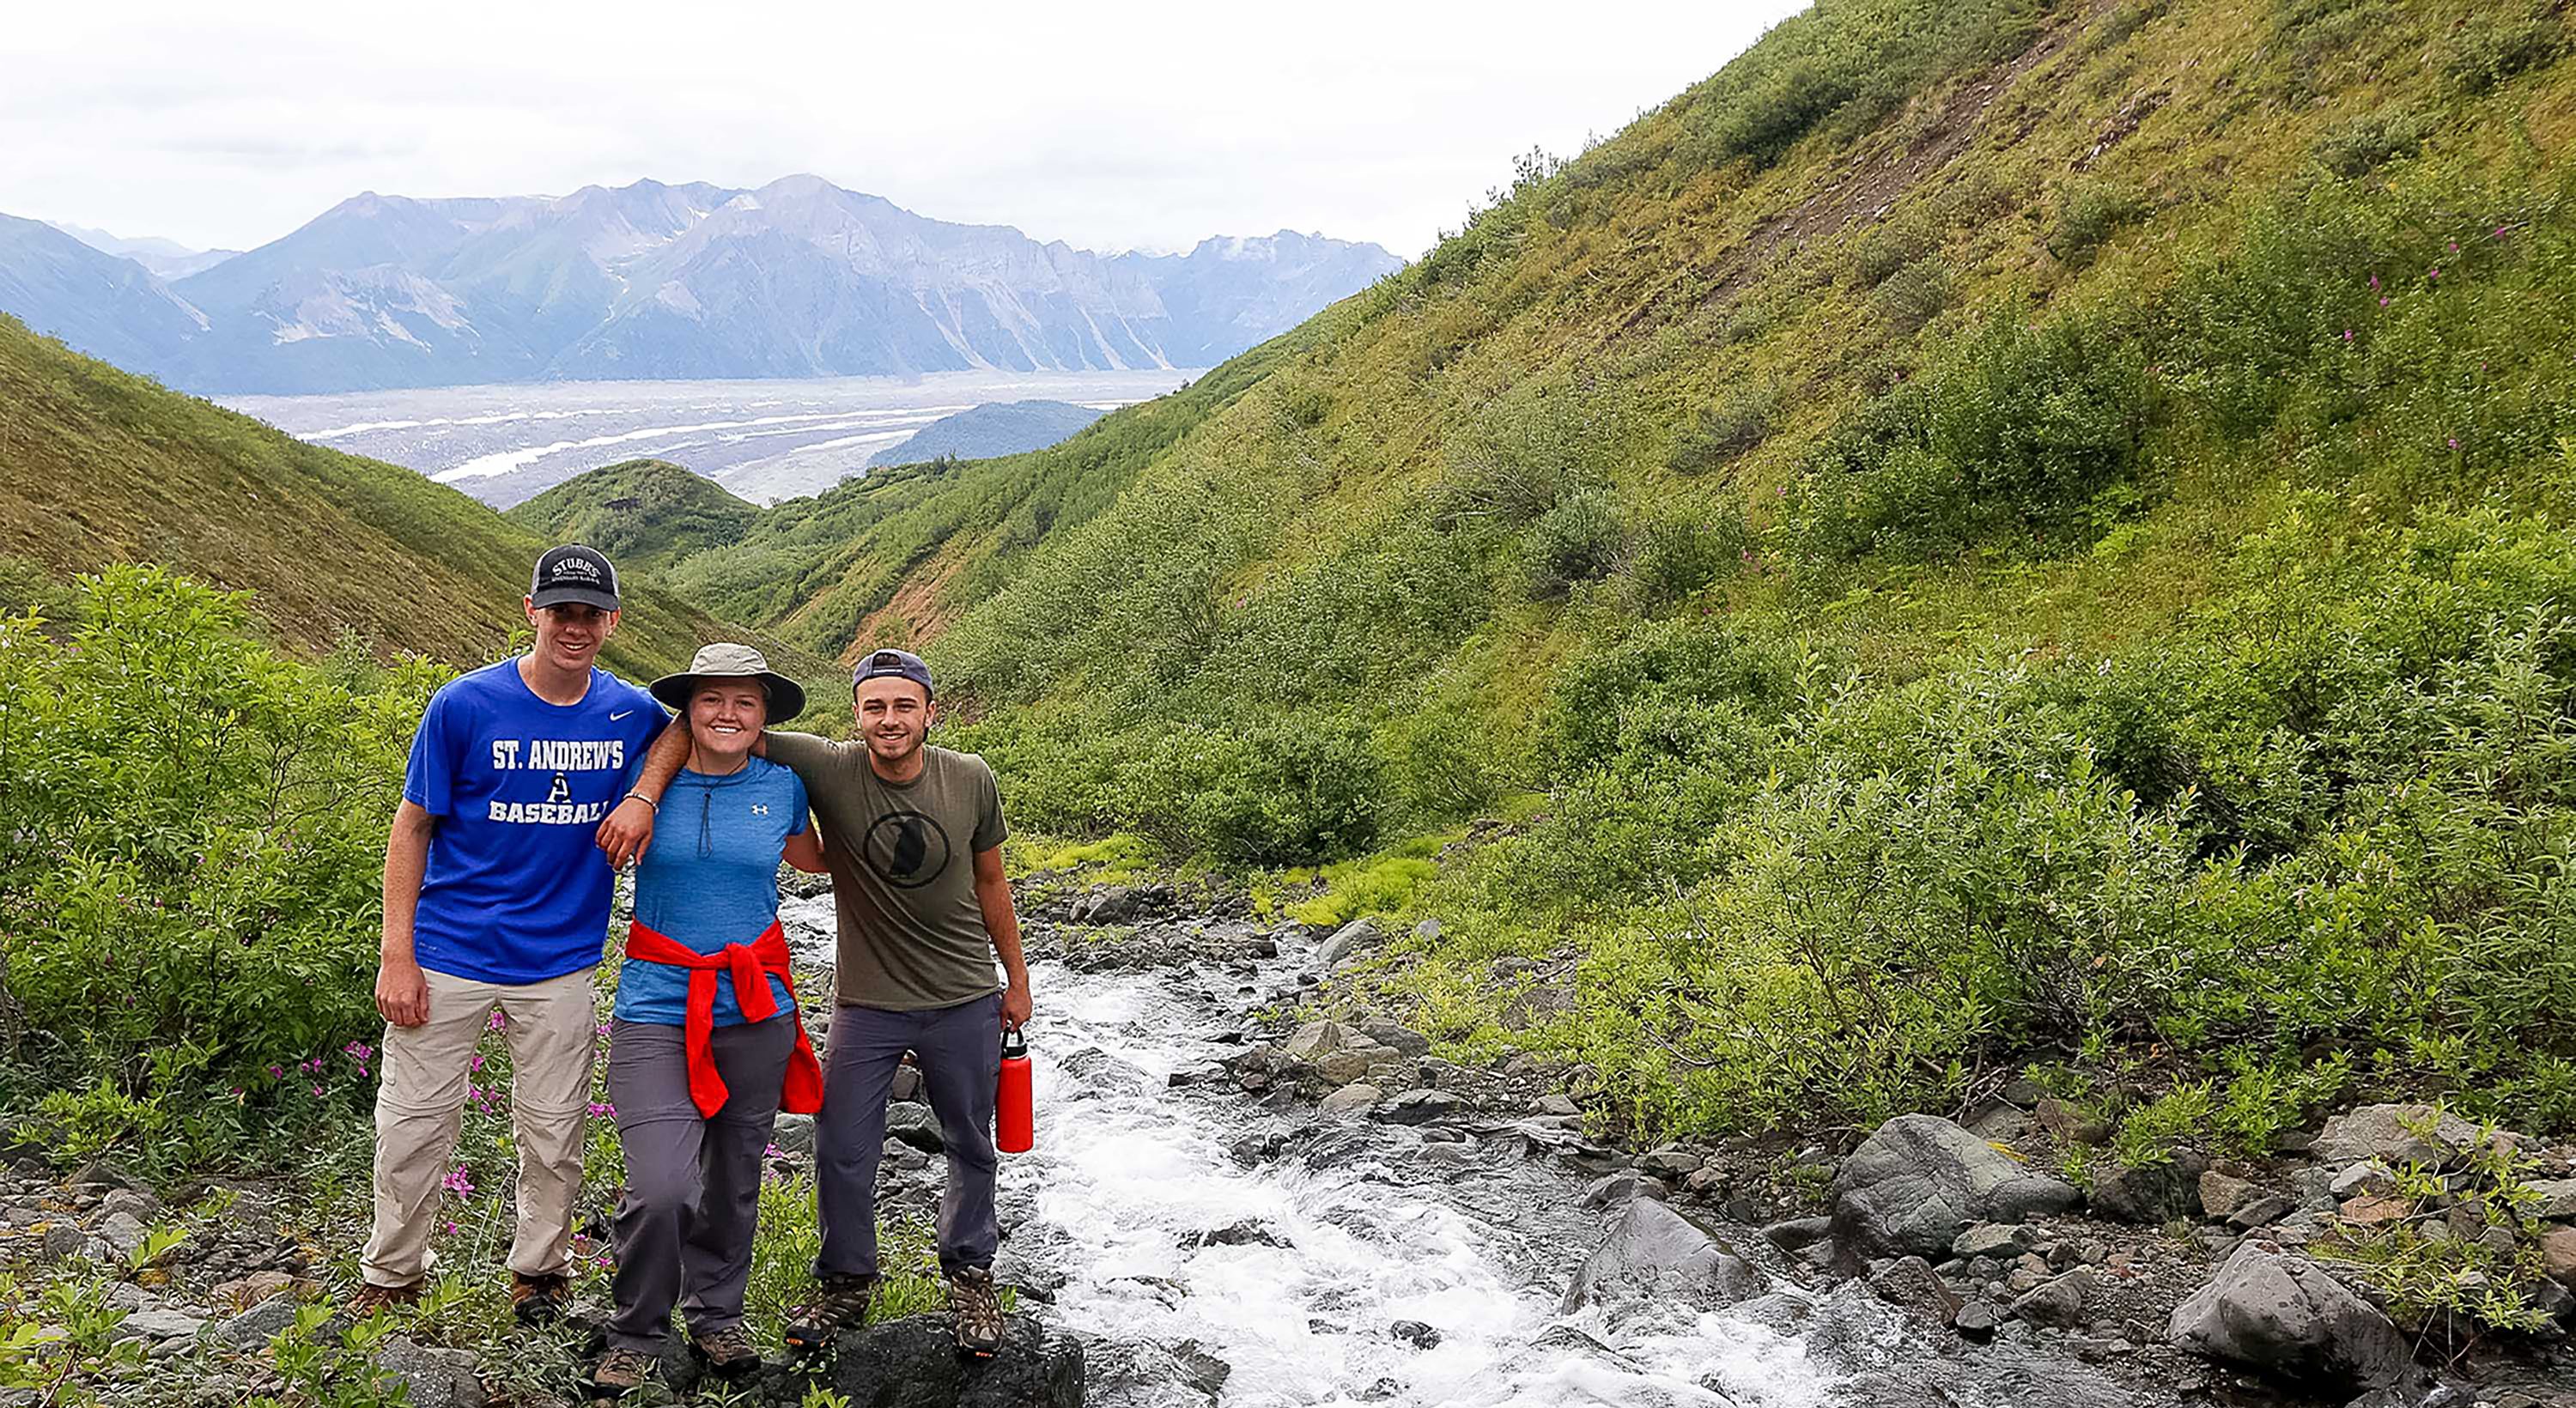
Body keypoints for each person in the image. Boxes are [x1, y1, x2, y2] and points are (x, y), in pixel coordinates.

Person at [627, 646, 1033, 1357]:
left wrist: (1018, 980)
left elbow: (993, 881)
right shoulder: (825, 766)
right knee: (842, 1145)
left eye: (905, 705)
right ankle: (845, 1280)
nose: (890, 720)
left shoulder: (970, 778)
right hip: (867, 1000)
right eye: (875, 706)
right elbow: (706, 726)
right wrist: (644, 793)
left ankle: (970, 1274)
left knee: (970, 1139)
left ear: (931, 712)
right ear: (855, 716)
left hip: (966, 993)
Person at [361, 545, 671, 1325]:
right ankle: (393, 1272)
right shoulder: (466, 704)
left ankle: (541, 1270)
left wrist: (640, 794)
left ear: (611, 622)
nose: (575, 626)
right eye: (560, 611)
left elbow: (682, 734)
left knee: (555, 1130)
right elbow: (412, 826)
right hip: (448, 950)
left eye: (590, 614)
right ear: (532, 612)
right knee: (412, 1125)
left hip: (561, 961)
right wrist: (397, 953)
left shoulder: (628, 711)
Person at [589, 644, 829, 1395]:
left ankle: (717, 1317)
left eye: (744, 702)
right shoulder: (642, 784)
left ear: (763, 718)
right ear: (688, 709)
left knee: (734, 1178)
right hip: (656, 1006)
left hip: (757, 1011)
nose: (727, 714)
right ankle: (635, 1331)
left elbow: (820, 860)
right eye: (712, 699)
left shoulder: (785, 789)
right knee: (662, 1186)